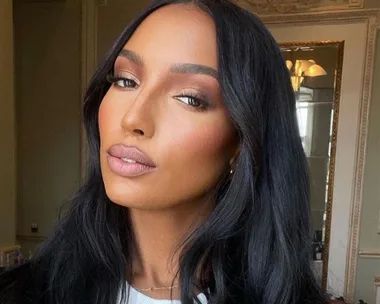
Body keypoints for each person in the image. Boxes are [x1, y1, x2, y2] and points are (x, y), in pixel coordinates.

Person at [0, 0, 329, 303]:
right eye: (125, 80)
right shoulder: (27, 292)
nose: (133, 118)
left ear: (242, 142)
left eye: (190, 98)